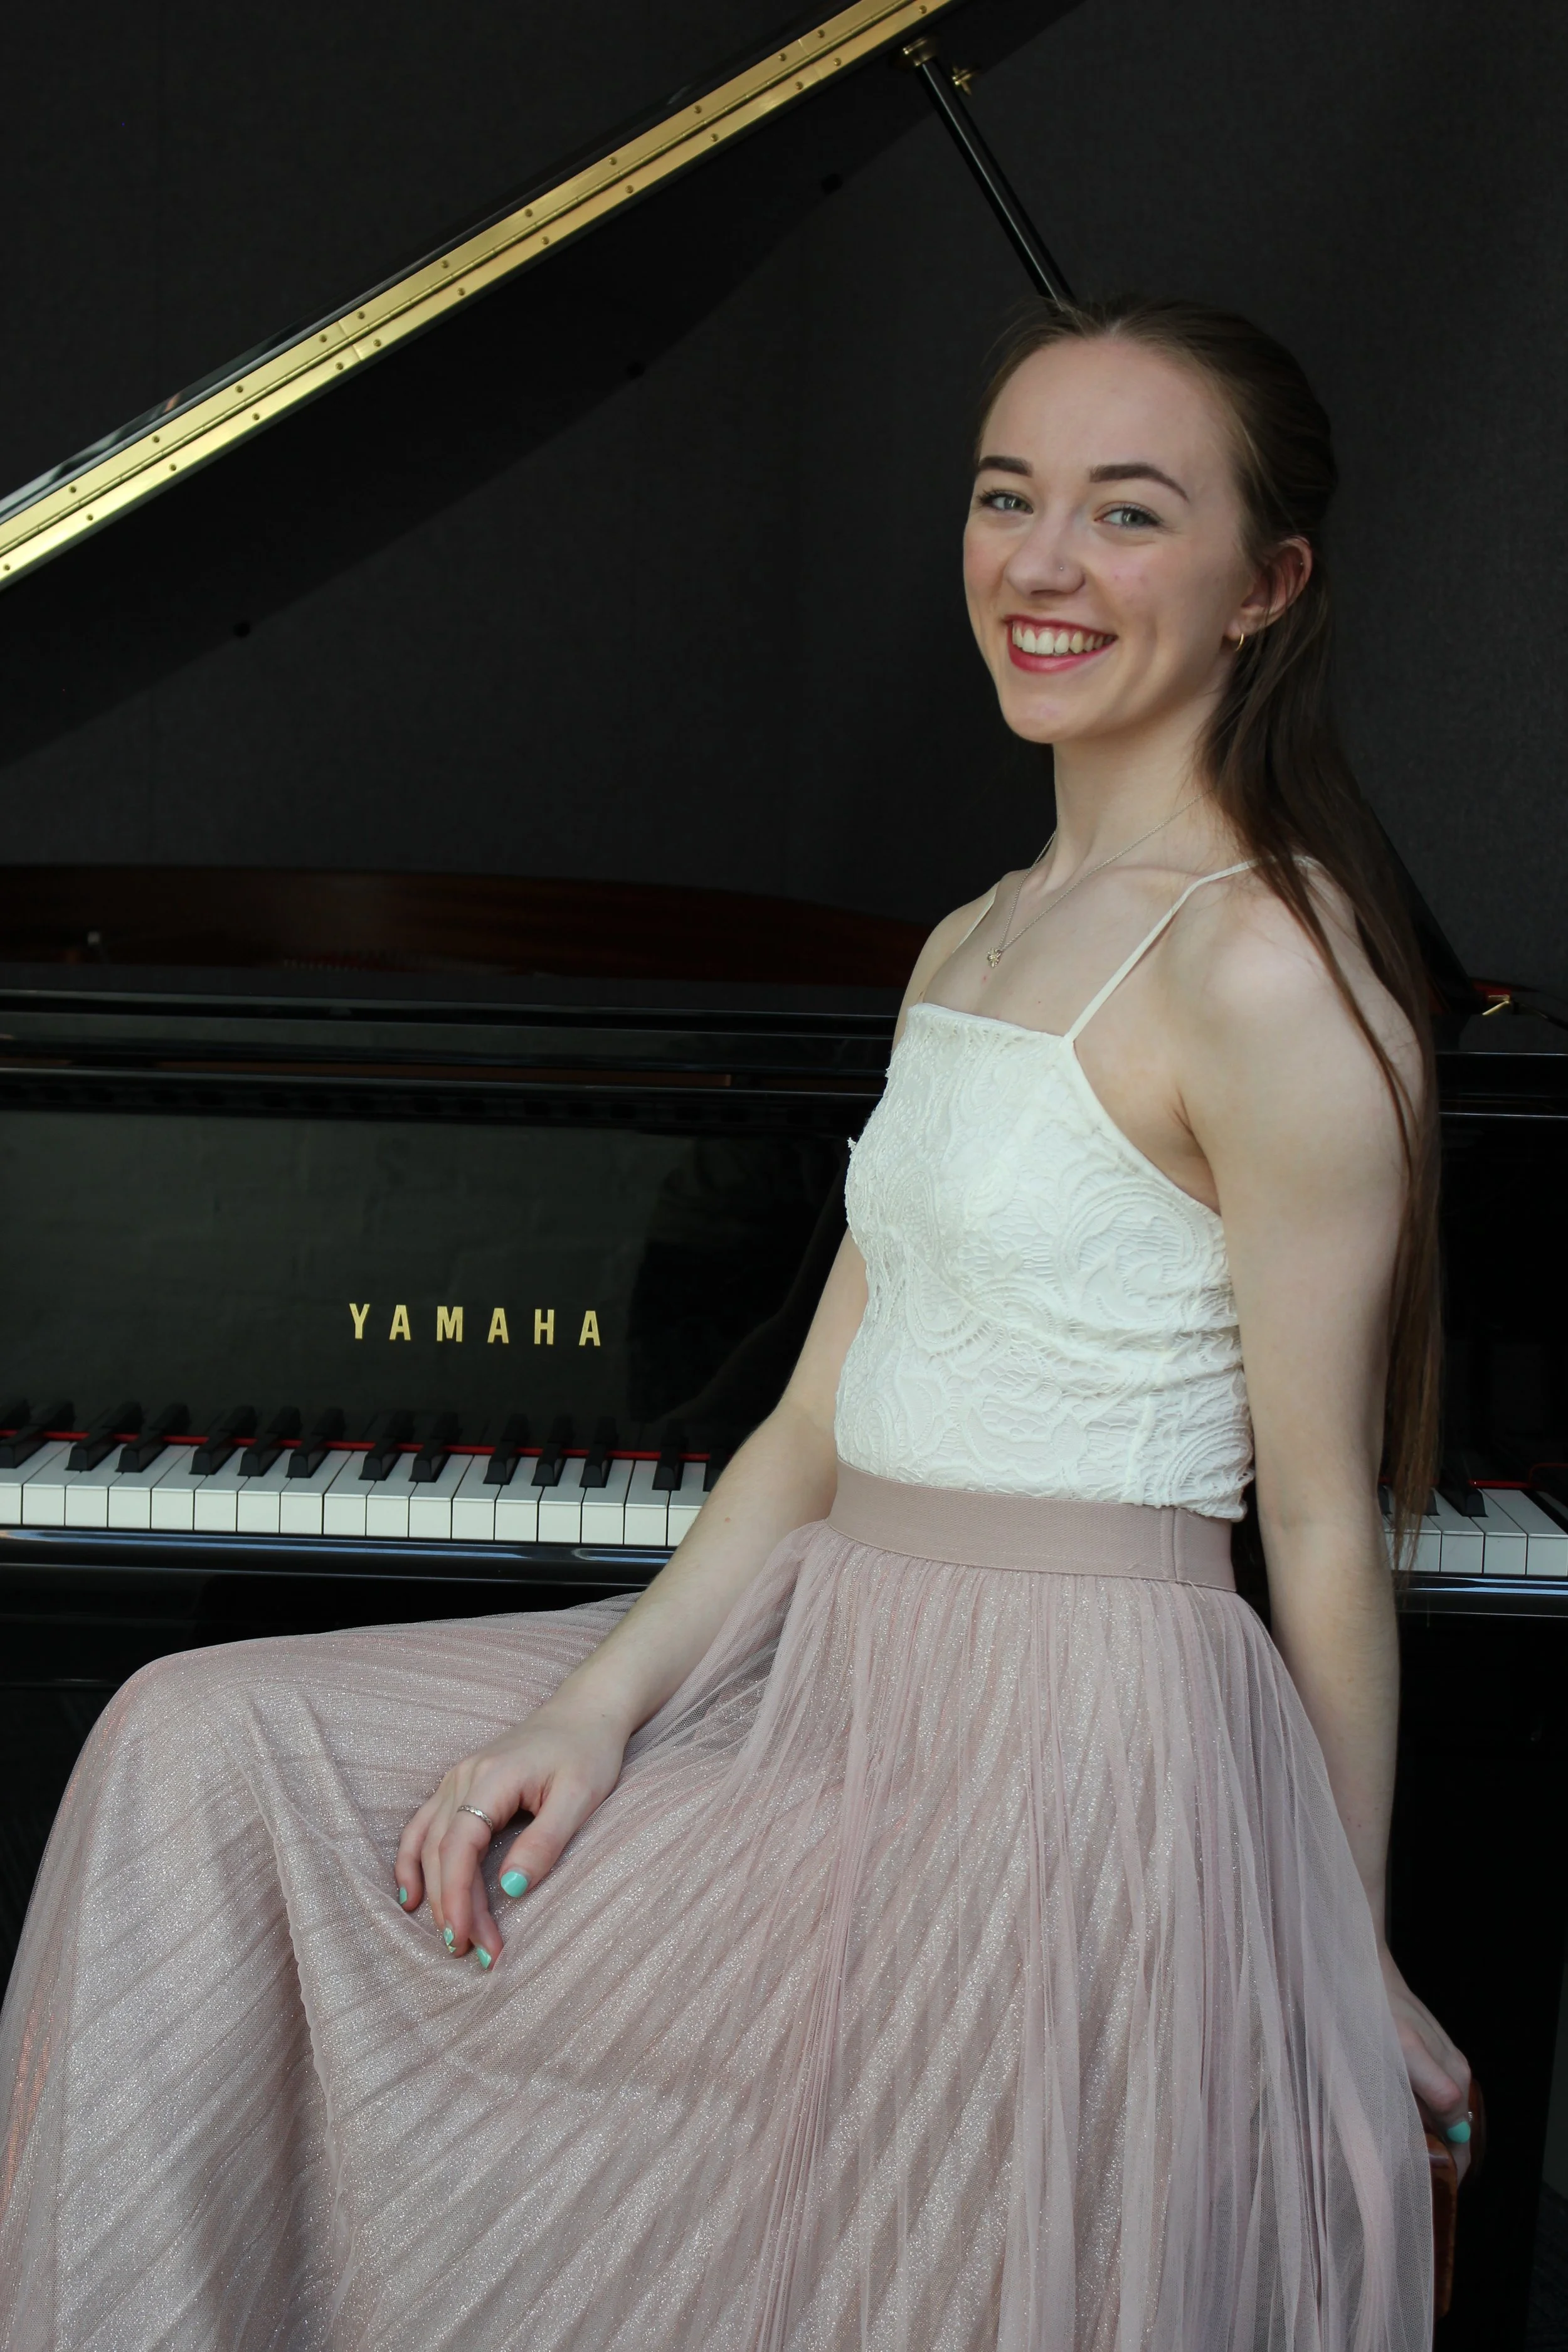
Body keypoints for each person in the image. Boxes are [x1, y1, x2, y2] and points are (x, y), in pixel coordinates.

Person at [0, 295, 1470, 2351]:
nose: (1041, 565)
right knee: (193, 1744)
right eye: (1003, 497)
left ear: (1264, 587)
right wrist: (586, 1711)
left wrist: (1341, 1940)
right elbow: (802, 1429)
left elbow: (1318, 1524)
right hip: (832, 1664)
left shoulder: (1267, 973)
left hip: (1062, 1753)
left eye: (1128, 515)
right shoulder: (971, 932)